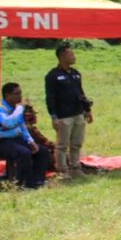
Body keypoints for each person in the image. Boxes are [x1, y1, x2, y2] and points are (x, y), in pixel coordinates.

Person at [45, 43, 92, 178]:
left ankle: (76, 168)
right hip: (63, 116)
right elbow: (50, 97)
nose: (74, 57)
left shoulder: (76, 74)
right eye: (71, 54)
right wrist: (53, 116)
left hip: (78, 113)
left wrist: (87, 109)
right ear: (62, 56)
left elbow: (81, 93)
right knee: (62, 145)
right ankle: (62, 170)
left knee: (76, 143)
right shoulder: (52, 76)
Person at [0, 83, 49, 189]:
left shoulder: (16, 107)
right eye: (16, 94)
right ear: (7, 95)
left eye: (20, 93)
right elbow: (8, 123)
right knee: (23, 153)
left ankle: (38, 181)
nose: (20, 96)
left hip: (14, 139)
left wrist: (30, 141)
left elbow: (21, 126)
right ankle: (24, 184)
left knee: (42, 151)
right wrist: (19, 109)